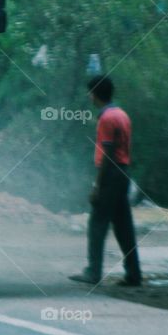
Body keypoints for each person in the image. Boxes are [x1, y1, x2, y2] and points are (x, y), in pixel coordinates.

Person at [69, 76, 142, 287]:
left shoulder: (106, 119)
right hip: (123, 172)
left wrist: (97, 186)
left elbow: (108, 153)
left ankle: (93, 271)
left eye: (90, 92)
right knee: (123, 226)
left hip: (110, 174)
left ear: (95, 93)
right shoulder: (122, 114)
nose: (89, 97)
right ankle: (134, 274)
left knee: (97, 223)